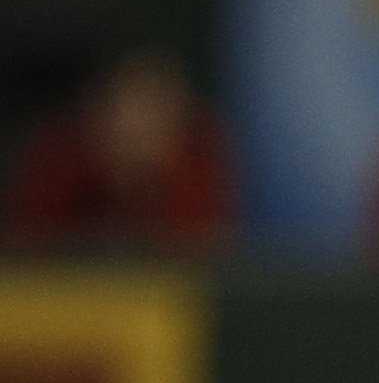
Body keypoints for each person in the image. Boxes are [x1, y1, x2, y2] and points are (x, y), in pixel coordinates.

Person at [5, 51, 233, 252]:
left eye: (155, 110)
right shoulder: (58, 159)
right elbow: (27, 249)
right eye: (131, 108)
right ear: (102, 109)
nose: (140, 126)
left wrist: (149, 185)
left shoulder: (195, 160)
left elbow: (202, 251)